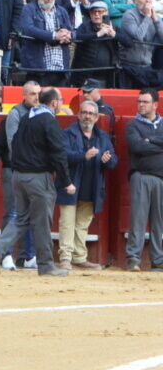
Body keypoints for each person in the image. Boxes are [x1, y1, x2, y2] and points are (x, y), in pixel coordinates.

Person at [0, 87, 74, 277]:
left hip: (18, 175)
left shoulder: (26, 118)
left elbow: (13, 144)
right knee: (41, 221)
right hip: (38, 178)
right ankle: (46, 265)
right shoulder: (49, 121)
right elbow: (58, 153)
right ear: (54, 103)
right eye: (60, 100)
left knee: (22, 218)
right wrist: (66, 181)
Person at [0, 81, 41, 270]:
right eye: (32, 94)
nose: (36, 97)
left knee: (28, 213)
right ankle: (6, 254)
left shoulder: (39, 114)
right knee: (13, 212)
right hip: (14, 168)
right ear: (24, 95)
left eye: (38, 93)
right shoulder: (15, 115)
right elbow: (3, 145)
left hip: (31, 170)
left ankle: (27, 256)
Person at [57, 100, 116, 271]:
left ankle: (79, 257)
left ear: (97, 117)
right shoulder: (67, 133)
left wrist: (108, 160)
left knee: (82, 224)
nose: (87, 116)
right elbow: (63, 156)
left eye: (91, 114)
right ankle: (66, 257)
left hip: (92, 186)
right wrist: (84, 156)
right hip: (71, 184)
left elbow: (113, 160)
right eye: (84, 112)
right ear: (78, 115)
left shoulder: (103, 137)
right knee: (67, 223)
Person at [125, 89, 163, 272]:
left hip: (161, 178)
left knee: (159, 222)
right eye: (139, 101)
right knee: (138, 220)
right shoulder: (133, 125)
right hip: (140, 176)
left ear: (155, 105)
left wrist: (150, 140)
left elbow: (145, 145)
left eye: (145, 102)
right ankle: (133, 257)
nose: (141, 104)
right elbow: (137, 146)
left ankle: (158, 259)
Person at [19, 0, 72, 86]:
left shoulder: (62, 11)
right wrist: (53, 36)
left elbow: (72, 31)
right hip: (39, 67)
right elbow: (28, 29)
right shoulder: (28, 9)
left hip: (60, 67)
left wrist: (68, 35)